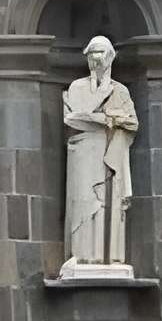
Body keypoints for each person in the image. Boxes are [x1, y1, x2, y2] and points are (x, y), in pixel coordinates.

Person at [59, 35, 138, 277]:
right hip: (83, 152)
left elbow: (132, 122)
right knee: (83, 202)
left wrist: (104, 120)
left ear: (111, 57)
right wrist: (107, 119)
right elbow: (71, 119)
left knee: (108, 203)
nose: (97, 58)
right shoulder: (77, 87)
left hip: (110, 152)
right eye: (92, 53)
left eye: (101, 52)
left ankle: (109, 257)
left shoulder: (120, 90)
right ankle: (82, 255)